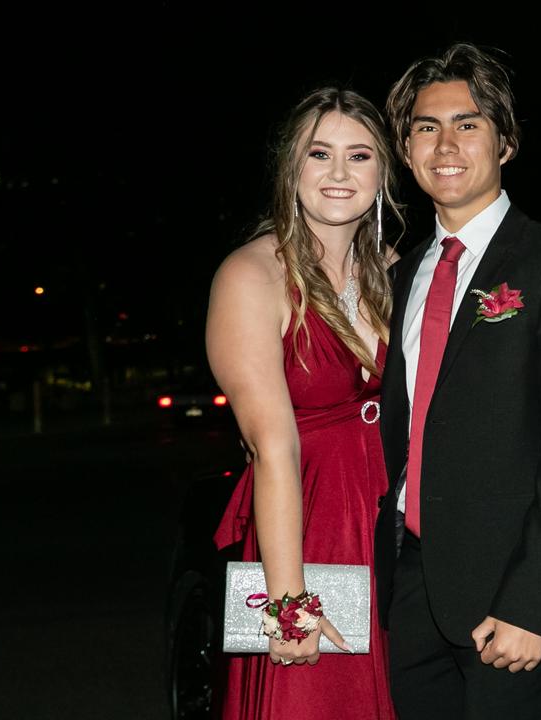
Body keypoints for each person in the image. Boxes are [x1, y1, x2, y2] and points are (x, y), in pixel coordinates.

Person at [374, 42, 541, 720]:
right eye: (426, 127)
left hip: (510, 604)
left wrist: (531, 605)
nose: (445, 143)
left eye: (469, 123)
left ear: (505, 143)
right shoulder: (402, 275)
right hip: (410, 591)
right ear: (407, 147)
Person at [207, 86, 401, 719]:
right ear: (292, 168)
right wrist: (289, 602)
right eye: (320, 154)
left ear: (384, 171)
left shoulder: (401, 271)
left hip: (397, 526)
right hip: (310, 520)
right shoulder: (252, 275)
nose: (340, 173)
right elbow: (272, 447)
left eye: (360, 155)